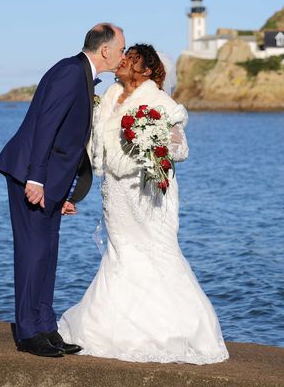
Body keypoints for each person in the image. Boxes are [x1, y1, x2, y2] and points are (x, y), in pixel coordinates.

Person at [58, 44, 229, 364]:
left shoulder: (160, 101)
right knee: (120, 254)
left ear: (148, 71)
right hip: (117, 192)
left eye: (132, 58)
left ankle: (174, 332)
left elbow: (181, 150)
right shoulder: (108, 98)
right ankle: (109, 329)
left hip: (149, 193)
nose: (122, 60)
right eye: (124, 56)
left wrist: (151, 137)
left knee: (156, 253)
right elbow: (92, 144)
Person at [0, 23, 126, 357]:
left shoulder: (80, 74)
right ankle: (28, 333)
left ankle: (45, 327)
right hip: (29, 176)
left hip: (48, 182)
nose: (123, 56)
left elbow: (68, 143)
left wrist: (63, 193)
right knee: (32, 253)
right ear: (106, 50)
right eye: (121, 49)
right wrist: (36, 180)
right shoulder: (70, 73)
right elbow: (45, 127)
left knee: (47, 254)